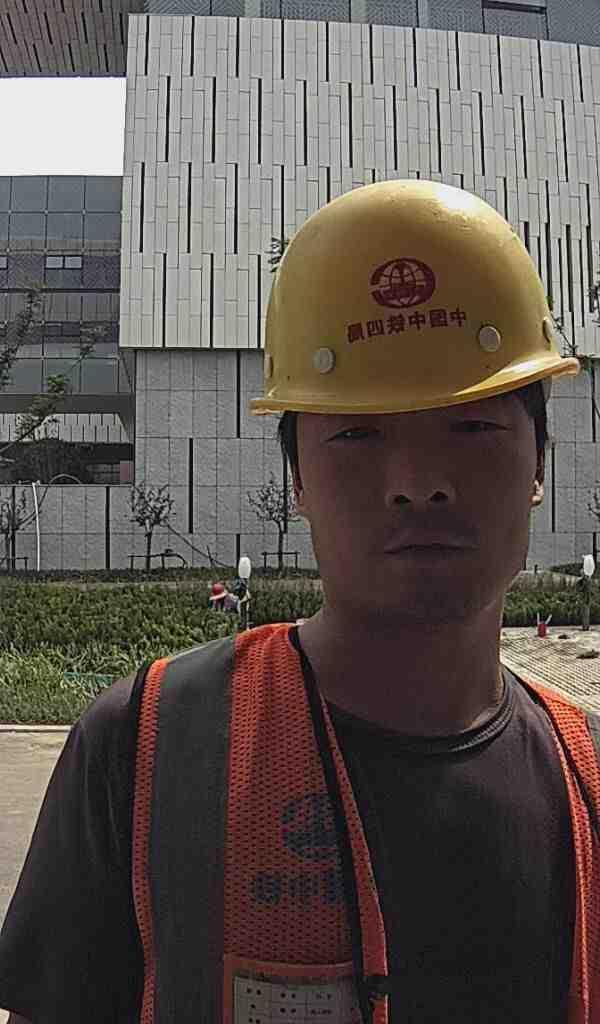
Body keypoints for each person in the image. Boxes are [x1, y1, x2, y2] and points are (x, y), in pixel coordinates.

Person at [1, 180, 599, 1024]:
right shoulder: (147, 745)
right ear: (298, 480)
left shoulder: (588, 780)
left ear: (539, 463)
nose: (417, 482)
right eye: (358, 434)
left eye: (470, 426)